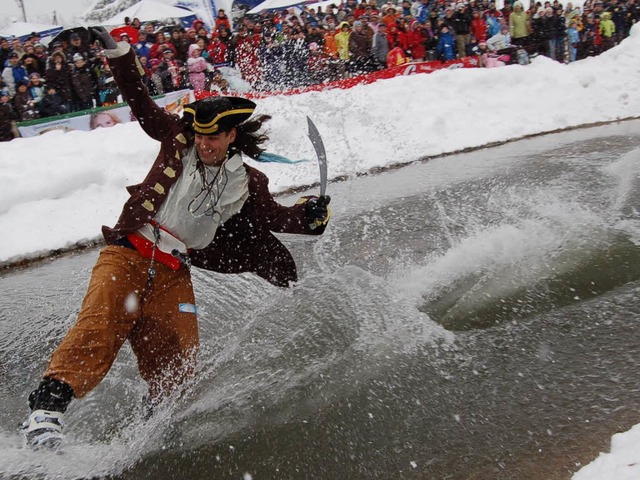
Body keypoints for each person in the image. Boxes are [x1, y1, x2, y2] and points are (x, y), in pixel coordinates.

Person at [24, 27, 331, 449]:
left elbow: (277, 218)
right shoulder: (175, 139)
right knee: (100, 327)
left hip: (173, 273)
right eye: (200, 134)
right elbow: (140, 99)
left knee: (179, 361)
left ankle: (153, 431)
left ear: (230, 136)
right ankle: (45, 414)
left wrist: (312, 215)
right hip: (128, 256)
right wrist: (118, 52)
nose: (204, 143)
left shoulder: (248, 181)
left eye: (212, 137)